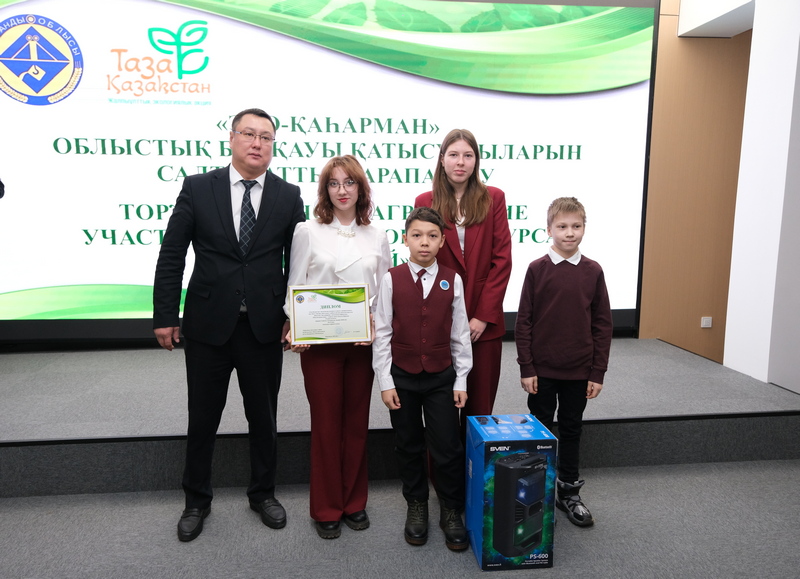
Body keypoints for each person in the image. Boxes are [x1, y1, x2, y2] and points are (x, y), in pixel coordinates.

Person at [153, 108, 305, 542]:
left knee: (264, 418)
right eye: (249, 134)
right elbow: (172, 253)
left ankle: (263, 494)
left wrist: (296, 318)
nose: (257, 143)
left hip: (263, 327)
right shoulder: (198, 187)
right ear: (232, 139)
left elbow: (299, 263)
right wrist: (165, 315)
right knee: (202, 418)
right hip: (207, 326)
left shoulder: (288, 195)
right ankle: (196, 500)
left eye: (266, 137)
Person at [285, 155, 391, 539]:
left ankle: (354, 502)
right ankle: (327, 507)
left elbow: (384, 292)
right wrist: (296, 327)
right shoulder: (307, 230)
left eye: (349, 182)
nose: (342, 190)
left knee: (357, 424)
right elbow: (295, 285)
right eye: (334, 183)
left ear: (361, 188)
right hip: (320, 345)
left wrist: (376, 325)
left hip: (362, 342)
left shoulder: (377, 235)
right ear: (325, 190)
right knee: (327, 425)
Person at [372, 206, 472, 551]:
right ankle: (416, 504)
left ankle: (450, 508)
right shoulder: (392, 278)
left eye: (432, 236)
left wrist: (461, 380)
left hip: (441, 377)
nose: (424, 242)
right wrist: (385, 381)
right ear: (405, 239)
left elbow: (460, 334)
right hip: (402, 377)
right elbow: (382, 333)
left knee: (447, 446)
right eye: (417, 235)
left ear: (442, 241)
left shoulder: (452, 279)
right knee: (408, 444)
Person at [514, 197, 612, 527]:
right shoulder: (536, 269)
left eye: (576, 226)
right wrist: (527, 367)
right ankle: (535, 494)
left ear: (584, 228)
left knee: (571, 429)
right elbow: (524, 321)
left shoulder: (593, 271)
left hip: (579, 371)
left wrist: (597, 371)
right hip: (541, 371)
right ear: (549, 230)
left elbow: (602, 324)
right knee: (539, 431)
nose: (569, 233)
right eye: (562, 226)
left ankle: (568, 493)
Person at [414, 129, 511, 427]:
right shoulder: (425, 200)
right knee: (441, 411)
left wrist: (482, 316)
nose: (460, 162)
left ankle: (474, 460)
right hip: (440, 318)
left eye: (468, 155)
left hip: (484, 322)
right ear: (442, 159)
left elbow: (502, 260)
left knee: (479, 410)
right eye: (454, 155)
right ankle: (443, 462)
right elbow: (422, 257)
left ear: (476, 161)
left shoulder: (493, 198)